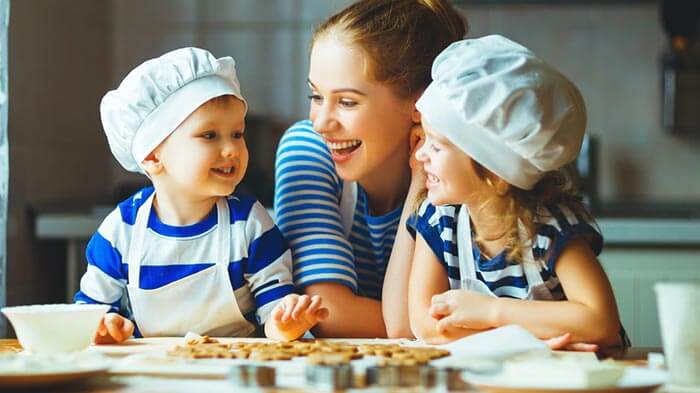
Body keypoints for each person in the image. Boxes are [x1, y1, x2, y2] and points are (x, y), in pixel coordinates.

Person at [74, 47, 328, 343]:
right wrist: (104, 327)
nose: (231, 149)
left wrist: (285, 324)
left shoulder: (248, 223)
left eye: (237, 133)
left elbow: (274, 311)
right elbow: (90, 314)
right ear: (153, 156)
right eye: (210, 135)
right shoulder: (121, 231)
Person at [407, 35, 628, 347]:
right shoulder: (437, 219)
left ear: (495, 174)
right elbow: (426, 325)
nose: (419, 155)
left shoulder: (550, 228)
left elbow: (600, 322)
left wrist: (493, 311)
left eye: (437, 146)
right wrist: (524, 340)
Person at [273, 0, 467, 338]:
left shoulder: (463, 168)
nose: (320, 122)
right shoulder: (307, 149)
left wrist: (420, 181)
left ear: (421, 104)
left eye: (347, 102)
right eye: (316, 96)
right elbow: (326, 311)